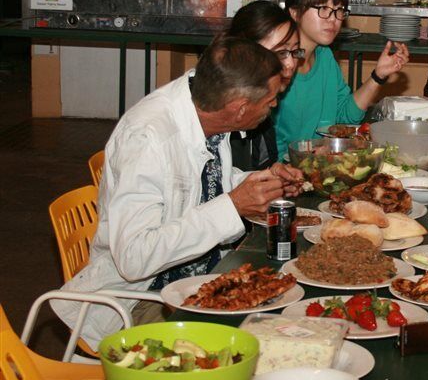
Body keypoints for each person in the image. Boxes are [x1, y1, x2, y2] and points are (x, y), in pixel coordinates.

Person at [52, 38, 305, 349]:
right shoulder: (148, 139)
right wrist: (233, 205)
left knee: (294, 313)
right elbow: (134, 258)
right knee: (262, 346)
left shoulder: (206, 108)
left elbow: (196, 185)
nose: (274, 105)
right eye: (270, 101)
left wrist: (260, 181)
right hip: (141, 300)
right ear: (239, 109)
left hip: (202, 278)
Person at [273, 0, 409, 157]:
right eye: (323, 8)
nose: (333, 19)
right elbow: (268, 145)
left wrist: (378, 75)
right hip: (284, 173)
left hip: (319, 167)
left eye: (338, 10)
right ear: (295, 13)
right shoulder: (278, 66)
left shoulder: (325, 57)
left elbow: (345, 117)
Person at [225, 0, 303, 169]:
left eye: (295, 52)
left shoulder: (264, 104)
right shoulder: (224, 112)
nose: (290, 64)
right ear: (244, 52)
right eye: (281, 53)